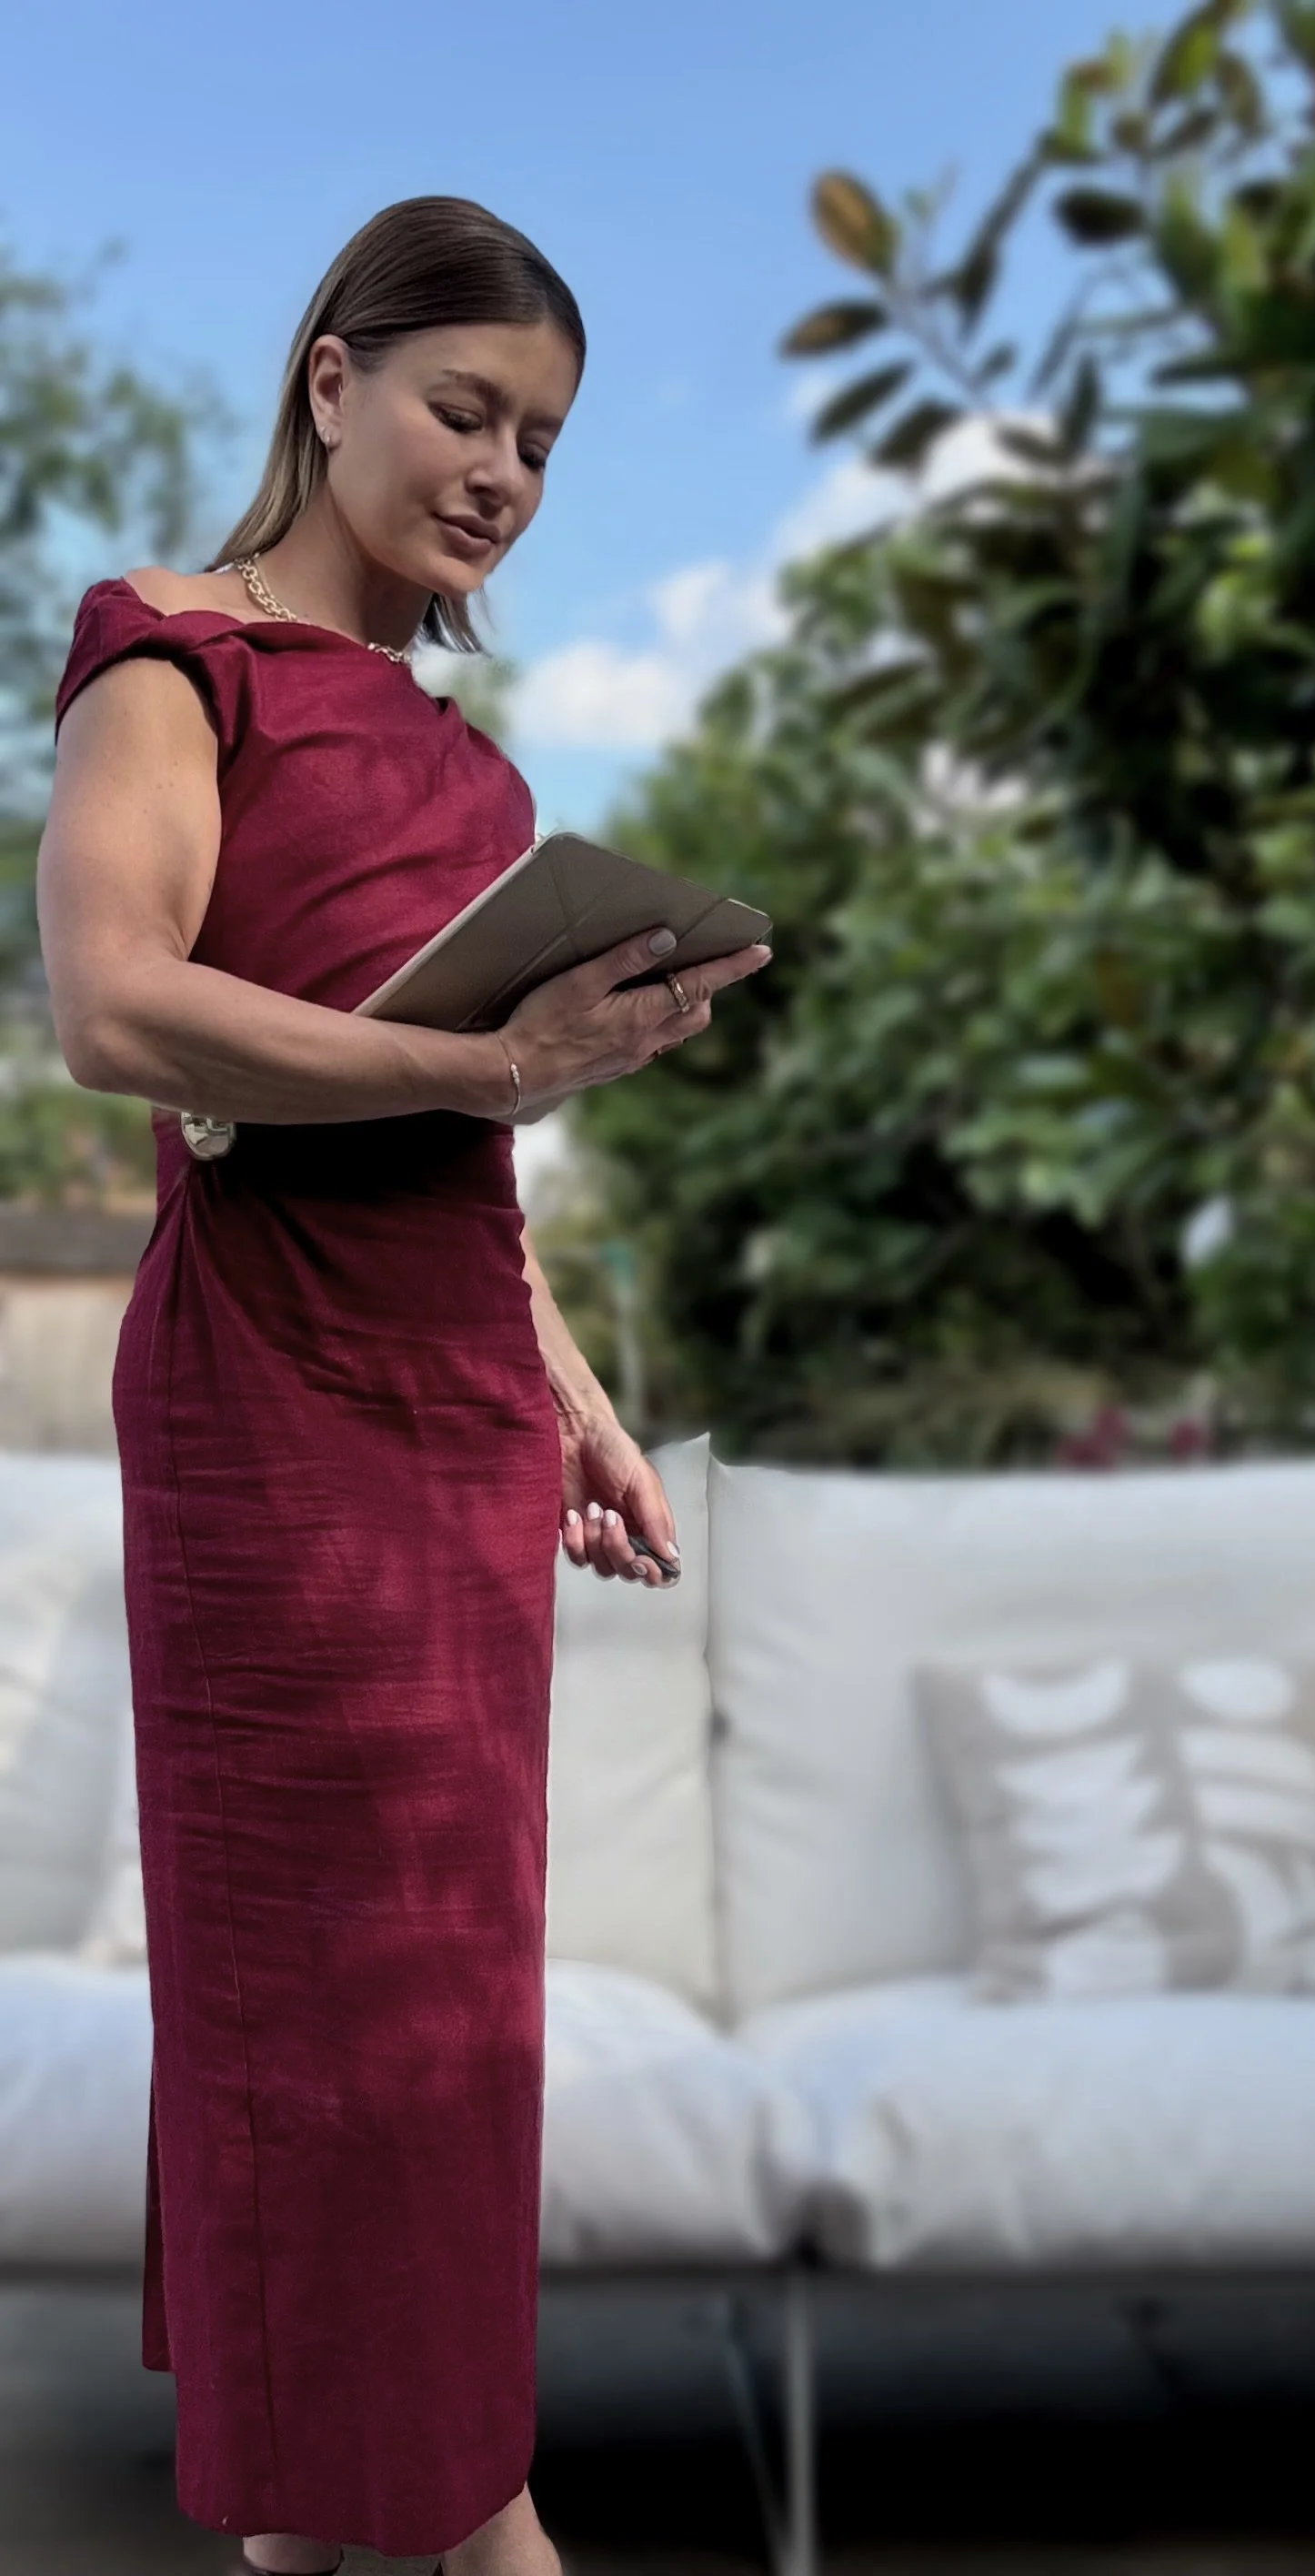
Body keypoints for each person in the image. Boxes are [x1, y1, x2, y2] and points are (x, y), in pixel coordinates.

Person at [35, 196, 770, 2576]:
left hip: (457, 1411)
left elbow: (469, 1144)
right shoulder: (174, 663)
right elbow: (115, 1014)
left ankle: (341, 2523)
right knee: (323, 2008)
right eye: (468, 410)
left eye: (543, 444)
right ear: (332, 378)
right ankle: (463, 2523)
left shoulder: (467, 758)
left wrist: (556, 1379)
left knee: (442, 2032)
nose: (504, 474)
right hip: (272, 1399)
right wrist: (490, 1047)